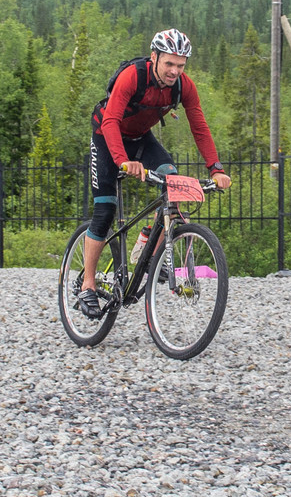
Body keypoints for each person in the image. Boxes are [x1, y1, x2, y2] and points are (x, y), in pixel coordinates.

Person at [77, 28, 232, 318]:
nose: (175, 71)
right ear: (154, 57)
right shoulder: (133, 76)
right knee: (104, 211)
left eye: (181, 65)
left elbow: (199, 126)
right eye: (169, 64)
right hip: (107, 135)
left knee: (173, 182)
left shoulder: (183, 86)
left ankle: (148, 244)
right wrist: (123, 161)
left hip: (140, 139)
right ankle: (87, 284)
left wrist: (216, 168)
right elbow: (111, 120)